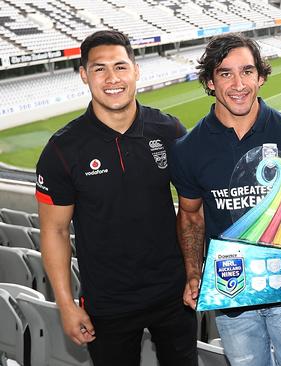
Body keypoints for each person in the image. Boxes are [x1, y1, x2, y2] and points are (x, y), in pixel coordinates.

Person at [35, 30, 197, 366]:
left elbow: (193, 208)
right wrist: (66, 305)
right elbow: (55, 231)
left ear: (136, 70)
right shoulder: (62, 150)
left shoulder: (168, 131)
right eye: (100, 69)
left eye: (121, 67)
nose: (112, 79)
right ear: (84, 75)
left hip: (173, 294)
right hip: (108, 304)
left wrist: (194, 273)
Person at [168, 33, 281, 366]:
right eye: (225, 73)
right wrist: (194, 273)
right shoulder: (189, 149)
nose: (238, 84)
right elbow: (191, 216)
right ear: (210, 82)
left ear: (261, 77)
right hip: (230, 288)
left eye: (247, 72)